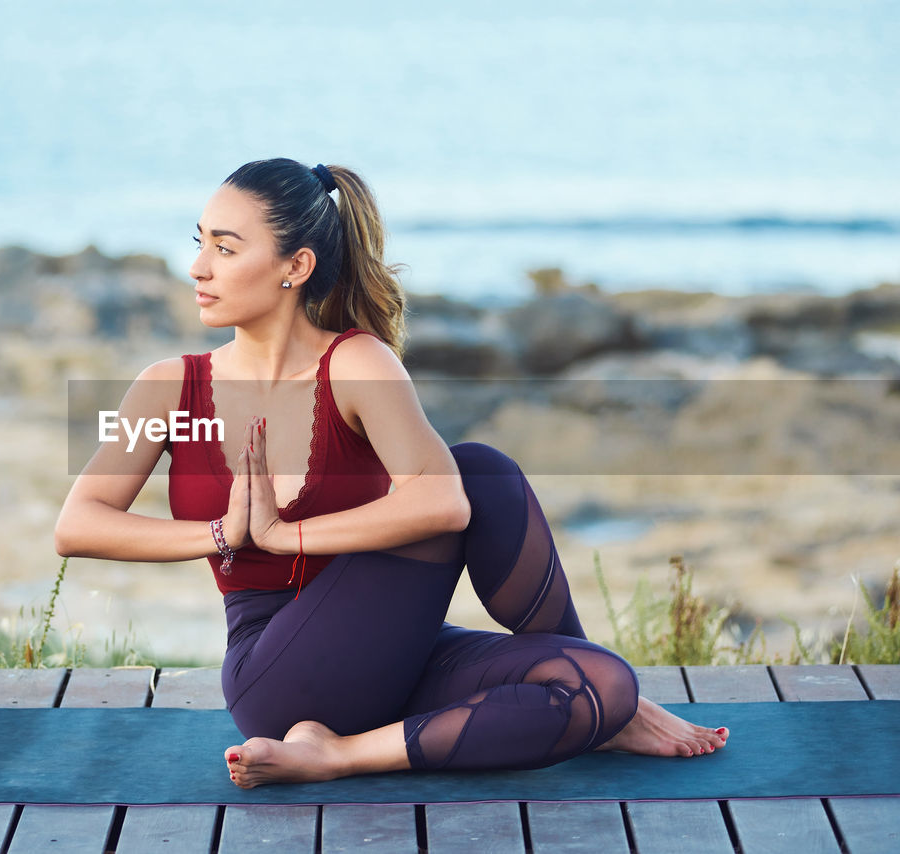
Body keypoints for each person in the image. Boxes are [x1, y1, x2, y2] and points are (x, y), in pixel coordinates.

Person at [54, 157, 728, 788]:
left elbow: (445, 509)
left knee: (598, 684)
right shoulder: (168, 387)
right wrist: (226, 533)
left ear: (296, 266)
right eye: (200, 243)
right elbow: (78, 525)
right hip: (279, 676)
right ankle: (337, 748)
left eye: (225, 249)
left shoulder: (357, 364)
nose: (198, 268)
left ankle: (346, 752)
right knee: (478, 474)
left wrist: (284, 535)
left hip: (390, 653)